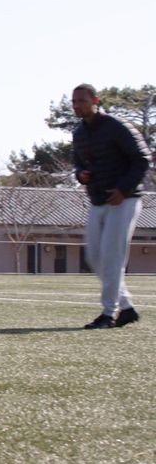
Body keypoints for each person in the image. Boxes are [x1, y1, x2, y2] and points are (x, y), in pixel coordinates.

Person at [71, 83, 150, 329]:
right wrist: (80, 174)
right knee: (94, 257)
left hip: (123, 200)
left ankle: (108, 313)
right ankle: (126, 308)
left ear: (95, 100)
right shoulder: (79, 132)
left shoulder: (117, 127)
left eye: (82, 101)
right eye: (74, 102)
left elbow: (143, 159)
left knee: (112, 256)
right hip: (98, 200)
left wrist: (123, 189)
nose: (77, 106)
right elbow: (78, 163)